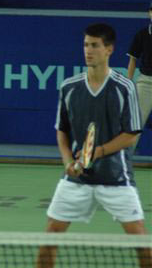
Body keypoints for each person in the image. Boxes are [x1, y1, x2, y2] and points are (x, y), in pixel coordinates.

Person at [36, 23, 150, 268]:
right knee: (49, 238)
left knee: (143, 246)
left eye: (95, 45)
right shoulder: (69, 87)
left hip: (116, 177)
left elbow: (131, 135)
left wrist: (98, 152)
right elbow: (62, 131)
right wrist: (68, 162)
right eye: (86, 45)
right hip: (77, 180)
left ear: (109, 49)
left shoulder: (124, 87)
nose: (89, 50)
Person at [127, 1, 152, 133]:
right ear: (149, 13)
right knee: (135, 125)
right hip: (146, 82)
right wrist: (128, 83)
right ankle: (125, 154)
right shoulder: (141, 34)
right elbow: (132, 60)